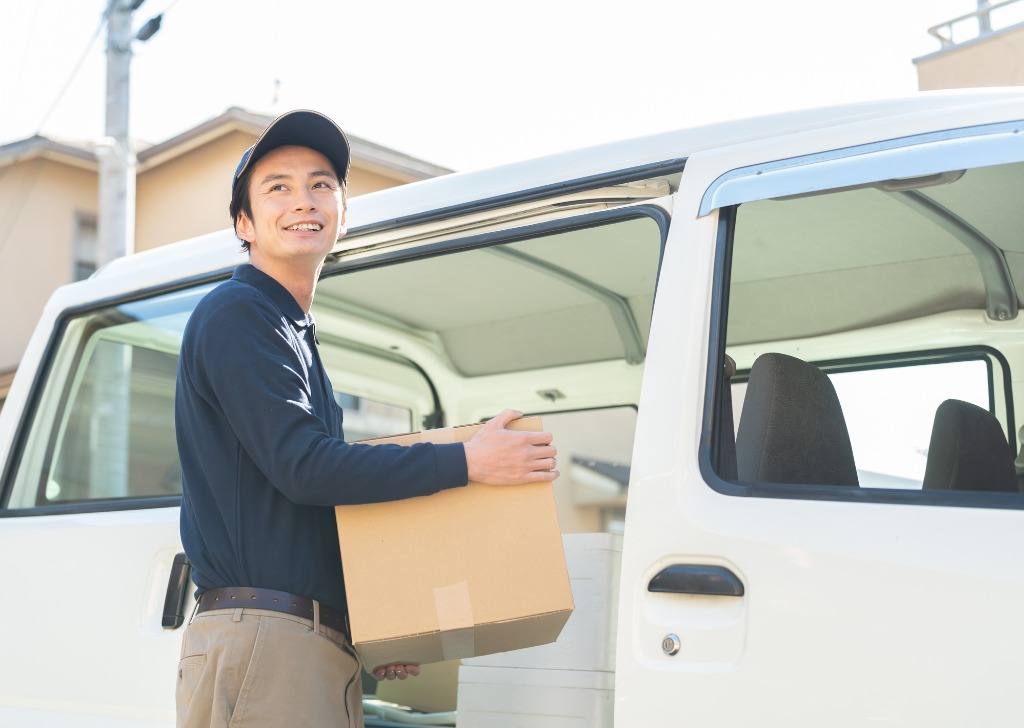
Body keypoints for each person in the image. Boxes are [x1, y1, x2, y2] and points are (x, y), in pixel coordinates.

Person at [174, 109, 558, 728]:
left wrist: (372, 621)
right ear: (244, 224)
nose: (304, 200)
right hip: (268, 643)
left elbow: (305, 512)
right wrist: (468, 462)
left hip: (301, 643)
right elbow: (307, 469)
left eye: (321, 185)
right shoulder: (239, 314)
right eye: (278, 187)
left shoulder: (290, 332)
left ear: (343, 213)